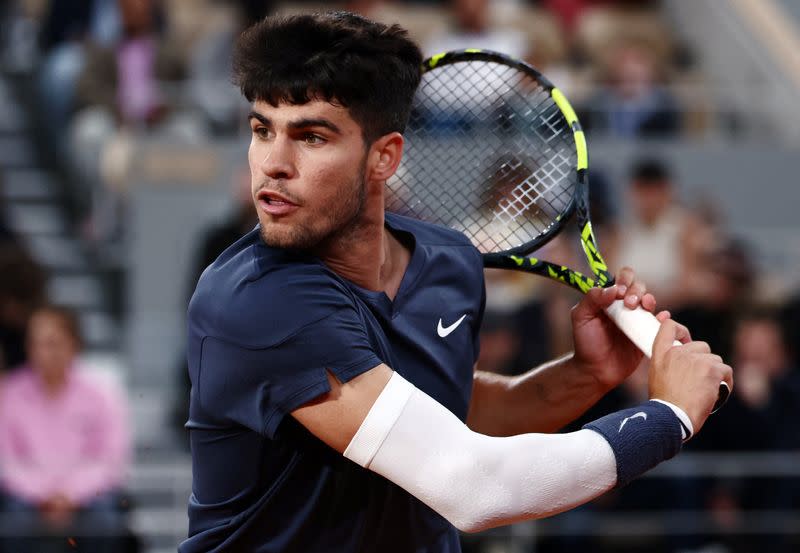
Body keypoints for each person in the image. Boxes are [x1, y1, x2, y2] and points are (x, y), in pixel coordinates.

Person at [182, 12, 732, 552]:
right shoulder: (254, 302)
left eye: (311, 137)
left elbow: (449, 414)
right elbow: (470, 485)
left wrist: (586, 375)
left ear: (384, 158)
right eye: (262, 130)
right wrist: (669, 418)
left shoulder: (449, 263)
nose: (273, 163)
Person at [0, 305, 131, 553]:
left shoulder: (101, 394)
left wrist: (70, 494)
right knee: (12, 518)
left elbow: (110, 461)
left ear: (73, 344)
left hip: (88, 499)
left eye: (52, 342)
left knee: (106, 519)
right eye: (36, 343)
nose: (43, 352)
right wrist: (44, 494)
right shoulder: (10, 394)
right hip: (26, 500)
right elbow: (7, 461)